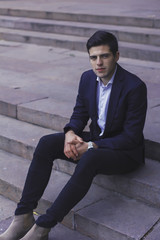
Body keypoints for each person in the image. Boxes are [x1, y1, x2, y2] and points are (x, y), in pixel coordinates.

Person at [0, 30, 147, 240]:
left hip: (124, 152)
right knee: (46, 143)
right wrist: (70, 133)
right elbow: (80, 114)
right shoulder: (88, 78)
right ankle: (23, 216)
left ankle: (43, 227)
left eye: (104, 56)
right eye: (93, 57)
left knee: (91, 157)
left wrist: (90, 146)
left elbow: (131, 137)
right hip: (97, 141)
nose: (99, 63)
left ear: (116, 56)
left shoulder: (134, 87)